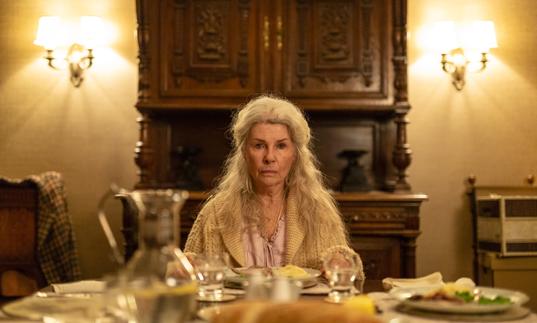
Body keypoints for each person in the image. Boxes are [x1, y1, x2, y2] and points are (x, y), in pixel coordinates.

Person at [184, 94, 364, 286]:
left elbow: (350, 277)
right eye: (259, 145)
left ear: (295, 154)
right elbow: (185, 274)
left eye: (281, 146)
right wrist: (185, 266)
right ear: (244, 153)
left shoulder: (319, 210)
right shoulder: (214, 212)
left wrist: (343, 262)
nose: (269, 157)